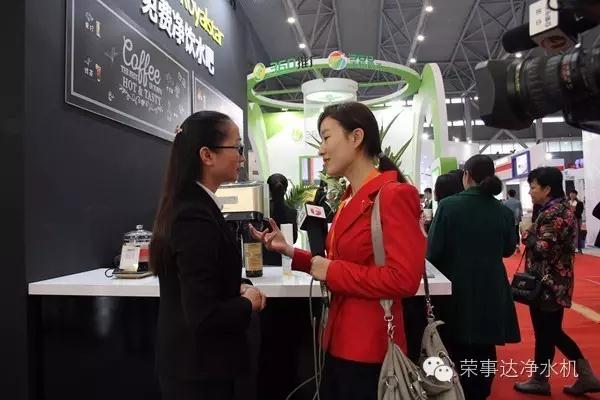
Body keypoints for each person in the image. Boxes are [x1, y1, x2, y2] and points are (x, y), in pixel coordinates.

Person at [250, 102, 426, 400]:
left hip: (370, 349)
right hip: (336, 340)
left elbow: (404, 279)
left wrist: (332, 271)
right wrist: (290, 251)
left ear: (356, 137)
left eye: (327, 137)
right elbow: (335, 263)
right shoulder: (347, 200)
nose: (321, 149)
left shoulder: (394, 195)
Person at [150, 111, 267, 400]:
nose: (242, 157)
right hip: (198, 373)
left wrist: (236, 286)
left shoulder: (193, 205)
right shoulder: (194, 216)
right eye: (237, 147)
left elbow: (201, 281)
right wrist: (248, 302)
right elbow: (203, 315)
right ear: (207, 155)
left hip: (195, 367)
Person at [427, 154, 520, 400]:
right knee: (485, 345)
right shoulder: (502, 211)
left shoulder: (449, 206)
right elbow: (508, 250)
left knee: (457, 344)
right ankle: (482, 391)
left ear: (466, 175)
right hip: (492, 286)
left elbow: (433, 252)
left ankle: (459, 391)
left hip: (457, 287)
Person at [514, 167, 600, 396]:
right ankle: (543, 378)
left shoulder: (555, 213)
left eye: (533, 187)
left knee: (550, 331)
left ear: (547, 189)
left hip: (549, 283)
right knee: (547, 332)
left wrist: (526, 232)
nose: (530, 192)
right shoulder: (556, 209)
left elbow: (542, 248)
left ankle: (581, 376)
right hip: (551, 282)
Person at [263, 173, 298, 266]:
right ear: (285, 190)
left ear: (268, 190)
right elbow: (294, 239)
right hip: (286, 262)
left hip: (263, 263)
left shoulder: (261, 212)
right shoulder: (292, 212)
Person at [504, 189, 523, 254]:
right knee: (516, 233)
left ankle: (510, 247)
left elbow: (504, 213)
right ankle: (517, 246)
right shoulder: (518, 202)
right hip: (516, 221)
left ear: (508, 194)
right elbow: (520, 212)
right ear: (515, 194)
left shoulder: (505, 202)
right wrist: (519, 219)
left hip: (508, 221)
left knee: (509, 234)